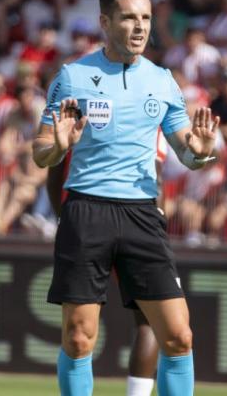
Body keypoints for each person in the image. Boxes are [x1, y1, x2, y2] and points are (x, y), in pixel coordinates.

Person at [32, 0, 219, 396]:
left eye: (146, 18)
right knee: (79, 338)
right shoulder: (71, 76)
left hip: (141, 214)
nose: (140, 27)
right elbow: (41, 150)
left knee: (179, 336)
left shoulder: (163, 81)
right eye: (130, 17)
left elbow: (189, 153)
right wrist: (58, 146)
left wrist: (203, 153)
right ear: (105, 22)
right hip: (87, 211)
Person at [45, 129, 167, 396]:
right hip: (126, 220)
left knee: (151, 323)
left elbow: (53, 172)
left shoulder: (79, 102)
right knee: (82, 332)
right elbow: (155, 177)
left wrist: (62, 220)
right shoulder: (146, 104)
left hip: (88, 220)